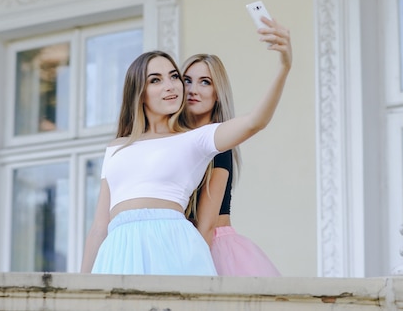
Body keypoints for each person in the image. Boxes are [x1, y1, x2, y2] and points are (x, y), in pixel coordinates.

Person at [80, 15, 292, 275]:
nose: (171, 86)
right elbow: (99, 227)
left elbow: (254, 122)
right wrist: (79, 286)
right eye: (155, 80)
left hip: (175, 246)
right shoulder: (116, 148)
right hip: (118, 249)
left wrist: (284, 66)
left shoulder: (195, 139)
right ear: (139, 92)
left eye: (173, 77)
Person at [183, 54, 282, 276]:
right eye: (187, 80)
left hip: (214, 246)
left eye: (205, 82)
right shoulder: (179, 143)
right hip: (188, 242)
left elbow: (206, 226)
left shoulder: (219, 145)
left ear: (218, 94)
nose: (193, 90)